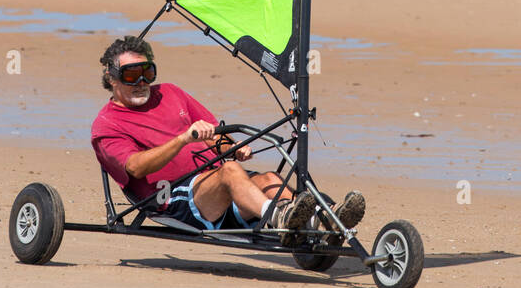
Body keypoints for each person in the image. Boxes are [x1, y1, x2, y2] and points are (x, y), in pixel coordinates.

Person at [91, 36, 365, 244]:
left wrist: (232, 148)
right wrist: (182, 139)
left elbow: (214, 135)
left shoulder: (171, 92)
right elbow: (136, 167)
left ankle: (325, 220)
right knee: (231, 172)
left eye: (147, 72)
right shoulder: (107, 125)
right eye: (131, 75)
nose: (141, 81)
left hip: (217, 184)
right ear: (111, 78)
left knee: (270, 179)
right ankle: (280, 219)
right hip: (172, 198)